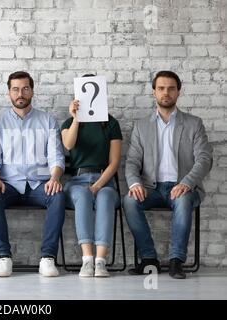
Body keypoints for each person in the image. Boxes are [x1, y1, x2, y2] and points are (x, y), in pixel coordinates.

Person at [123, 70, 213, 279]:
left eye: (171, 88)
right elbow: (133, 161)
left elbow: (204, 159)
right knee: (129, 201)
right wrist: (135, 184)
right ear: (154, 92)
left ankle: (176, 261)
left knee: (182, 200)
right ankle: (148, 259)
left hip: (183, 187)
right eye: (161, 88)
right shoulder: (141, 125)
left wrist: (187, 183)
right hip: (150, 188)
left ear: (178, 92)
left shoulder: (194, 123)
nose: (166, 93)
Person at [0, 71, 66, 277]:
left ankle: (48, 258)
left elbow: (56, 157)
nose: (20, 93)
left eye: (25, 89)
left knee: (58, 196)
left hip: (40, 184)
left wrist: (55, 178)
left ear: (32, 91)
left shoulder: (47, 121)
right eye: (15, 89)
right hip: (8, 185)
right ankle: (3, 257)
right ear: (9, 93)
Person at [61, 74, 122, 278]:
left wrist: (97, 185)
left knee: (104, 196)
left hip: (104, 181)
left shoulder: (111, 123)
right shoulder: (68, 123)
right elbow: (68, 145)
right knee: (83, 195)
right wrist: (77, 118)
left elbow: (114, 163)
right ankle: (87, 259)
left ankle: (101, 260)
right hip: (77, 181)